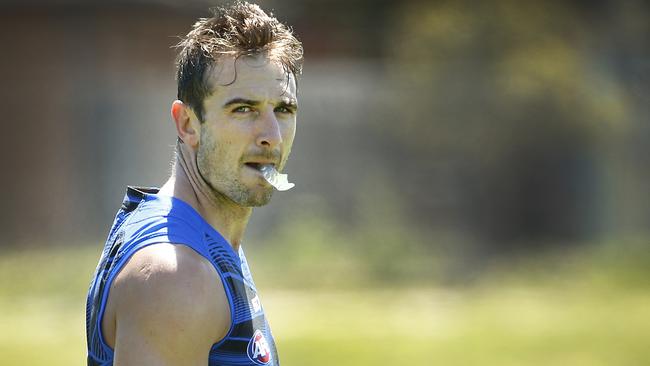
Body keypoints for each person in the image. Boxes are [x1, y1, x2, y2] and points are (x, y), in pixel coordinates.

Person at [85, 2, 303, 365]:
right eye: (243, 109)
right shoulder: (175, 278)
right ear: (188, 124)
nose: (272, 136)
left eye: (283, 110)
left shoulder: (205, 237)